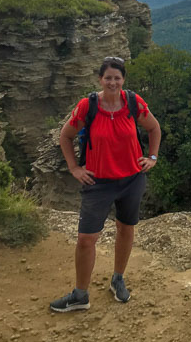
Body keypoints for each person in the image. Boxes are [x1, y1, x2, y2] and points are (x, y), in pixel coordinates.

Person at [50, 56, 161, 312]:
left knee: (126, 228)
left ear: (123, 80)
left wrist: (152, 157)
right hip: (98, 182)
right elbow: (65, 136)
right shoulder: (87, 106)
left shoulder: (133, 103)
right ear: (100, 79)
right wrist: (74, 168)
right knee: (86, 239)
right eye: (108, 77)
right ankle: (80, 295)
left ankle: (118, 278)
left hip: (132, 179)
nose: (112, 82)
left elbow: (154, 128)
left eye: (117, 78)